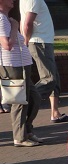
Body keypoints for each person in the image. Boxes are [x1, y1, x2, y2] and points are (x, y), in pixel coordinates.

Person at [20, 0, 68, 123]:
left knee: (54, 77)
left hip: (43, 41)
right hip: (39, 42)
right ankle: (24, 104)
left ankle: (55, 113)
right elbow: (27, 23)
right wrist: (25, 41)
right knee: (49, 78)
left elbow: (23, 21)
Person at [1, 0, 40, 146]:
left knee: (34, 97)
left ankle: (27, 131)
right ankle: (20, 137)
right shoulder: (1, 19)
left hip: (22, 65)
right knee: (19, 101)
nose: (12, 0)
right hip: (13, 65)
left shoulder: (6, 19)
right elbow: (6, 45)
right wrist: (15, 27)